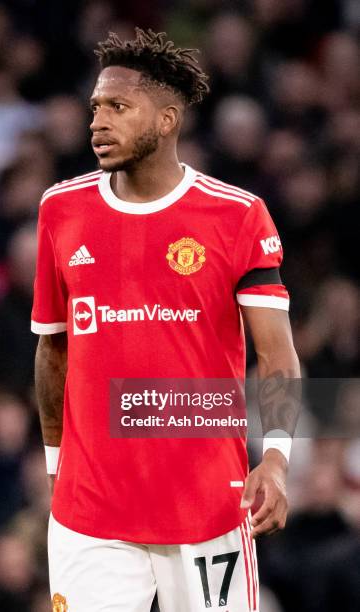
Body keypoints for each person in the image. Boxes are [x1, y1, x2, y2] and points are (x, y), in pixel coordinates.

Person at [31, 28, 300, 611]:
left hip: (208, 507)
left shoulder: (237, 216)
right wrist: (56, 466)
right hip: (90, 513)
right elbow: (53, 348)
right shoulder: (61, 209)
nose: (98, 122)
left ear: (168, 119)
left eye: (119, 108)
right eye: (96, 108)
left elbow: (276, 354)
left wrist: (276, 461)